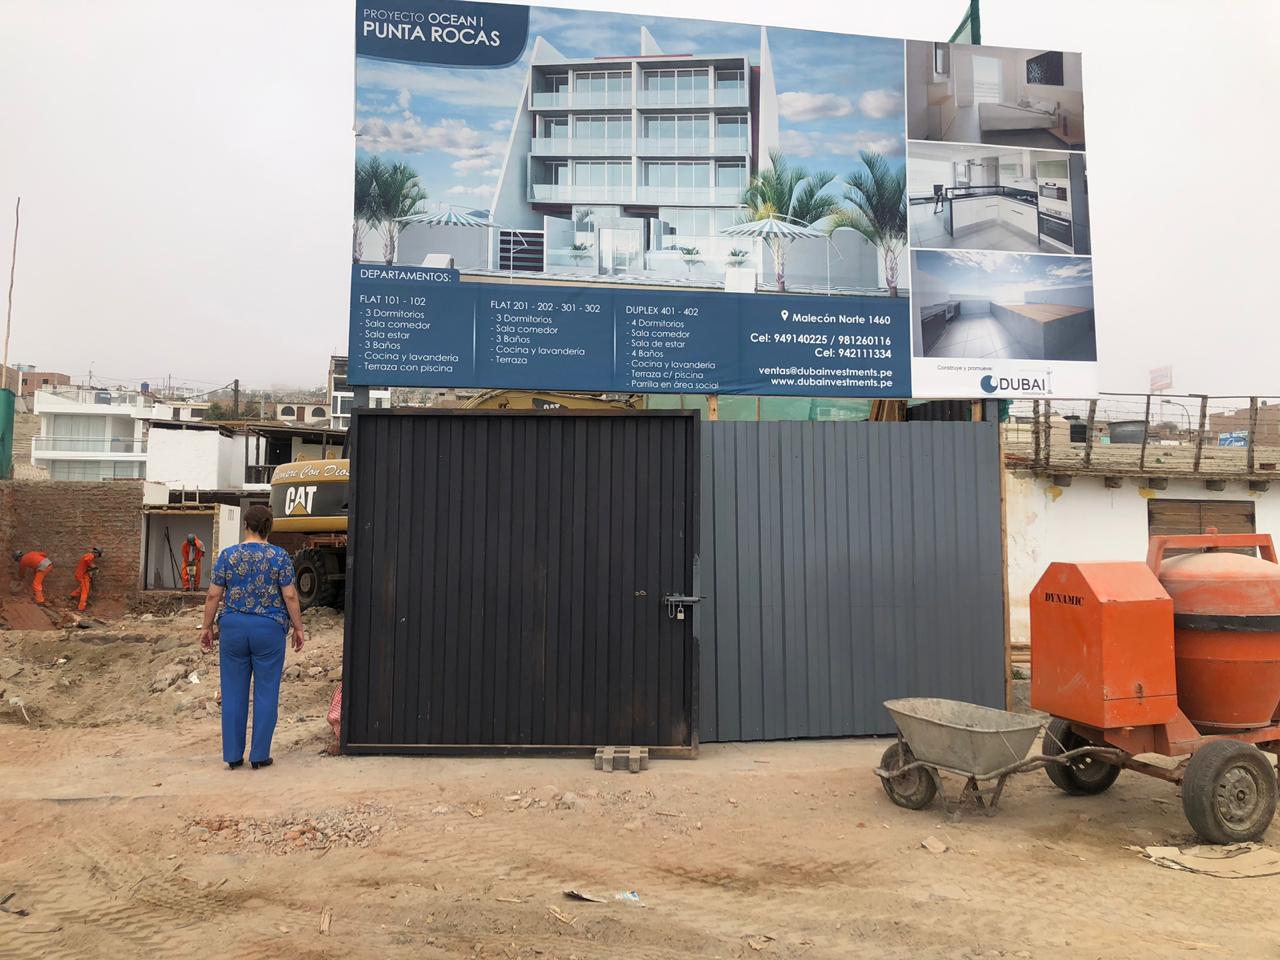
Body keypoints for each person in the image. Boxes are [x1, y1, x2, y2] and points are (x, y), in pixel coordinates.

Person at [199, 506, 305, 770]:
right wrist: (298, 628)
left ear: (245, 525)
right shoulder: (280, 556)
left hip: (233, 629)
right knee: (266, 691)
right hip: (269, 629)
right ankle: (259, 755)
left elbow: (213, 595)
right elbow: (290, 595)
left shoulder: (228, 555)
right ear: (269, 527)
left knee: (233, 692)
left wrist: (206, 627)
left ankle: (233, 756)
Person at [68, 547, 103, 612]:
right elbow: (87, 560)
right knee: (85, 591)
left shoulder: (87, 555)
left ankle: (72, 595)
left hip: (83, 574)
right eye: (98, 555)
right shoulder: (90, 556)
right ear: (97, 553)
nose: (97, 557)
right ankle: (81, 608)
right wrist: (93, 566)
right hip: (82, 575)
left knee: (83, 587)